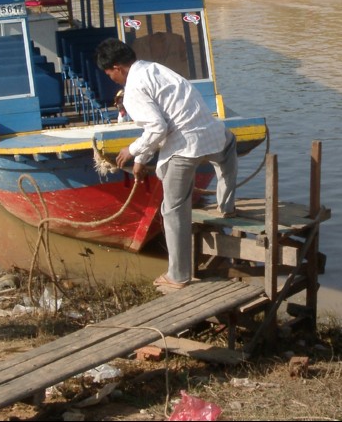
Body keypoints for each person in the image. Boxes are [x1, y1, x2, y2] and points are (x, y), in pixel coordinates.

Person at [95, 38, 237, 291]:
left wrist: (132, 151)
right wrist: (142, 159)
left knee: (173, 210)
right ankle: (226, 207)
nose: (111, 79)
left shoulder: (134, 89)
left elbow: (157, 128)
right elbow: (163, 123)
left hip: (185, 147)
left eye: (109, 74)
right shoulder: (156, 69)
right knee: (228, 147)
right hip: (212, 133)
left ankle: (178, 276)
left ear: (117, 68)